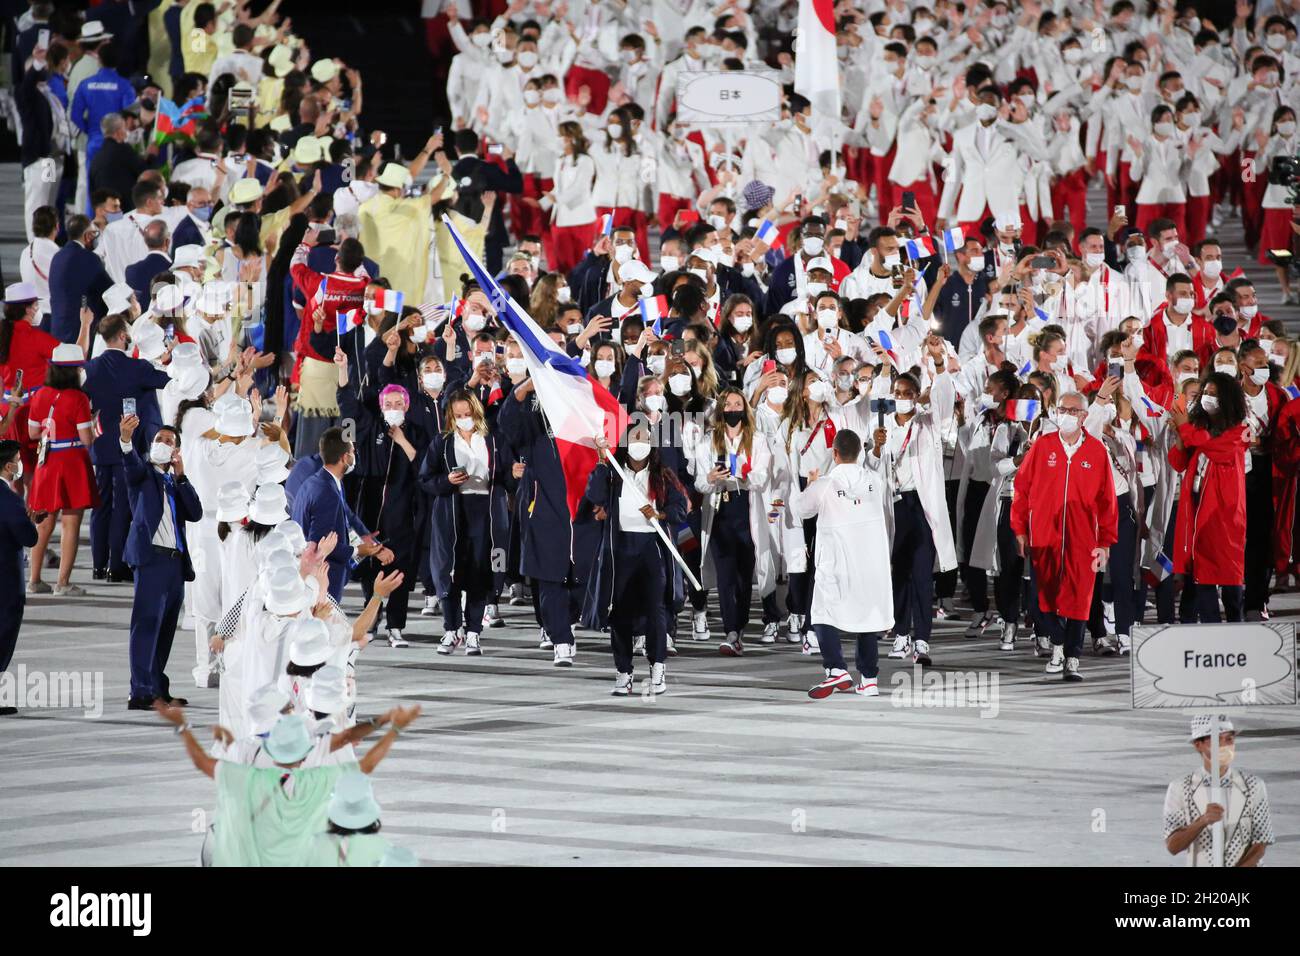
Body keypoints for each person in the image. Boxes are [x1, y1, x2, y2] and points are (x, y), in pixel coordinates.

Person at [1011, 391, 1119, 682]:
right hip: (1044, 537)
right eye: (1062, 409)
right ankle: (1057, 643)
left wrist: (1105, 542)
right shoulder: (1043, 446)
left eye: (1073, 410)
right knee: (1041, 600)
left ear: (1084, 416)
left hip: (1082, 539)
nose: (1066, 415)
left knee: (1079, 600)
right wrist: (1020, 529)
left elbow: (1107, 500)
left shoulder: (1096, 451)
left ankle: (1071, 657)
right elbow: (1021, 489)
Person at [585, 427, 687, 696]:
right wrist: (600, 459)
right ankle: (623, 671)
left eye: (644, 438)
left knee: (656, 610)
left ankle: (657, 666)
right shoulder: (614, 473)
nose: (639, 443)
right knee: (619, 611)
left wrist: (660, 514)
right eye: (634, 438)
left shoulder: (662, 476)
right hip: (621, 548)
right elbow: (594, 495)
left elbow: (680, 508)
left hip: (651, 548)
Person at [796, 429, 892, 699]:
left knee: (822, 613)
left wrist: (811, 483)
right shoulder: (875, 480)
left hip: (836, 561)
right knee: (867, 616)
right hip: (869, 562)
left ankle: (836, 668)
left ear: (834, 453)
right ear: (860, 452)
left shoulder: (824, 484)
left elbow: (802, 509)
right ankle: (869, 679)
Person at [120, 413, 202, 710]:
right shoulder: (143, 474)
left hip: (175, 564)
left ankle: (156, 688)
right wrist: (126, 441)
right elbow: (130, 467)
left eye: (169, 441)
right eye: (158, 439)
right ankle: (139, 691)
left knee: (165, 628)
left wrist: (181, 476)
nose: (162, 443)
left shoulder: (174, 480)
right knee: (145, 625)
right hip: (151, 559)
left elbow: (195, 512)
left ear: (176, 450)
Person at [420, 388, 510, 656]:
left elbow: (505, 474)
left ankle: (473, 633)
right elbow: (425, 479)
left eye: (467, 414)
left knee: (480, 573)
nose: (463, 419)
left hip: (486, 512)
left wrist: (513, 473)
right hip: (452, 512)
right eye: (458, 415)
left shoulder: (493, 440)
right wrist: (446, 481)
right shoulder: (443, 442)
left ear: (476, 412)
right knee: (449, 570)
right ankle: (451, 630)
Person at [83, 312, 172, 581]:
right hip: (126, 445)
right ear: (123, 336)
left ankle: (98, 565)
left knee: (100, 506)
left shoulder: (90, 368)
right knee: (122, 506)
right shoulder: (137, 369)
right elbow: (169, 383)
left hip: (100, 445)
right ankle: (116, 566)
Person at [1167, 372, 1250, 622]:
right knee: (1201, 571)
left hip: (1222, 512)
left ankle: (1237, 628)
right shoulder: (1197, 427)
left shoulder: (1239, 429)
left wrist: (1185, 427)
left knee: (1228, 576)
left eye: (1213, 394)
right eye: (1206, 392)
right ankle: (1210, 630)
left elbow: (1217, 450)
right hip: (1195, 506)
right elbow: (1178, 463)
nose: (1207, 398)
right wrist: (1182, 438)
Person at [290, 426, 393, 602]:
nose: (355, 456)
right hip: (323, 579)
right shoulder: (326, 493)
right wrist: (360, 550)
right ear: (345, 458)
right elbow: (321, 546)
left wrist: (370, 540)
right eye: (353, 451)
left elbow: (348, 514)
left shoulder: (323, 482)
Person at [26, 343, 98, 595]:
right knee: (71, 523)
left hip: (47, 461)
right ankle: (63, 583)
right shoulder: (79, 397)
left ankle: (34, 580)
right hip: (72, 461)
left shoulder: (40, 394)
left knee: (43, 524)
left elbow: (33, 432)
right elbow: (87, 439)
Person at [1163, 716, 1273, 867]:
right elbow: (1173, 846)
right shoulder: (1180, 787)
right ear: (1198, 745)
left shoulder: (1254, 785)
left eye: (1229, 739)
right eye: (1216, 740)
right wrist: (1202, 821)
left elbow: (1261, 843)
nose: (1224, 746)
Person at [0, 441, 37, 716]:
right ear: (9, 466)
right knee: (3, 635)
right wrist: (30, 522)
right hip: (6, 580)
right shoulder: (9, 498)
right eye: (17, 459)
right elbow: (28, 537)